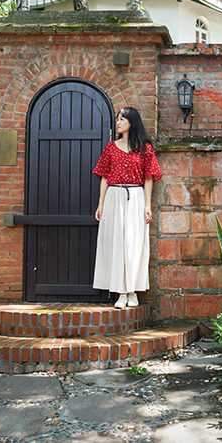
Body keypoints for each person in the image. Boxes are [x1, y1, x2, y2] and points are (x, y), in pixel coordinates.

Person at [92, 106, 162, 308]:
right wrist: (101, 204)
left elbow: (149, 178)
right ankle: (121, 292)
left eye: (122, 119)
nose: (118, 123)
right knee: (116, 244)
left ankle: (132, 290)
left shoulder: (145, 148)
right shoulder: (111, 148)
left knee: (133, 244)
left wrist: (147, 206)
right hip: (114, 196)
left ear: (132, 122)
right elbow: (104, 177)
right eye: (117, 119)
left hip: (136, 196)